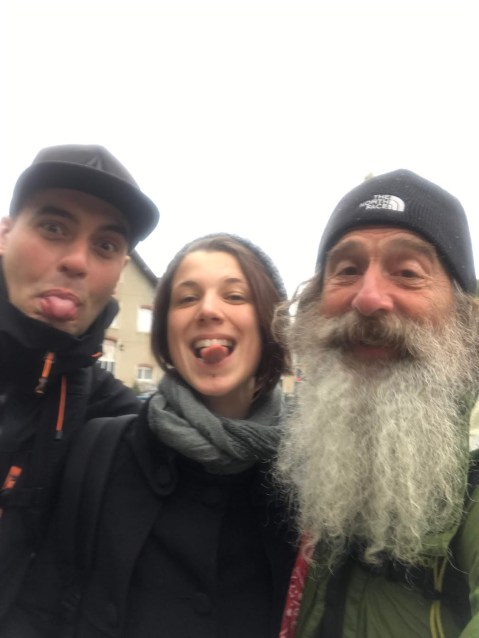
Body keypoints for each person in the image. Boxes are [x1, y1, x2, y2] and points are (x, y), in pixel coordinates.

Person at [0, 233, 297, 638]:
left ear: (271, 322)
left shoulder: (311, 475)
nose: (208, 310)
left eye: (234, 296)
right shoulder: (99, 451)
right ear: (166, 331)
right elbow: (40, 613)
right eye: (187, 298)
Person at [275, 169, 479, 638]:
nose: (367, 299)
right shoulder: (299, 454)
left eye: (407, 273)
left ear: (464, 317)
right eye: (346, 270)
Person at [0, 144, 159, 619]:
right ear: (4, 235)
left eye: (105, 245)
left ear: (120, 272)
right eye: (54, 228)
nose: (77, 261)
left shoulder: (114, 419)